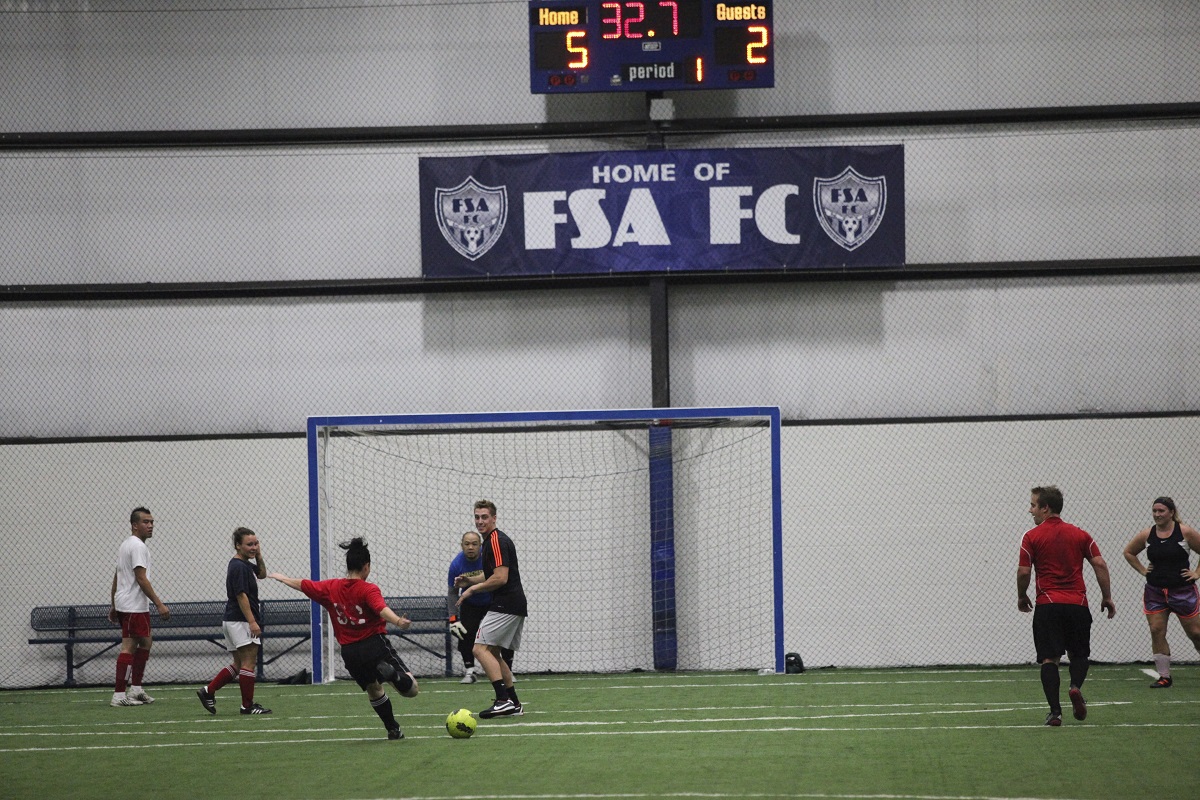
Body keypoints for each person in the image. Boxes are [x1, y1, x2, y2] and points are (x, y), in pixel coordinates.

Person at [268, 537, 418, 739]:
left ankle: (393, 728)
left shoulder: (331, 588)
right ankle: (394, 675)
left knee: (374, 689)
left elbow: (304, 584)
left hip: (350, 653)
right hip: (374, 645)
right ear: (367, 567)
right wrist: (398, 621)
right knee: (411, 690)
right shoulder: (368, 589)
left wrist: (282, 578)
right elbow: (381, 609)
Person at [1017, 485, 1116, 726]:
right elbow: (1100, 564)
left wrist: (1022, 595)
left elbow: (1023, 570)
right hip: (1078, 604)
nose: (1030, 510)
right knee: (1079, 654)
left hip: (1048, 604)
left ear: (1045, 508)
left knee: (1050, 659)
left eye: (1033, 505)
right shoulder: (1081, 535)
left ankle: (1055, 712)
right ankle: (1075, 687)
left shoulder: (1032, 536)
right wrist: (1107, 596)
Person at [455, 499, 527, 719]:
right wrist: (468, 580)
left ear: (494, 518)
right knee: (494, 653)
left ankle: (502, 700)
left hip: (505, 604)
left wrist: (472, 590)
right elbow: (490, 574)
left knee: (478, 649)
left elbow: (501, 578)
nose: (480, 521)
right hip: (513, 604)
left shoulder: (496, 540)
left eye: (484, 517)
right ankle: (514, 703)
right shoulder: (490, 543)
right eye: (477, 517)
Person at [1122, 496, 1200, 687]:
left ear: (1171, 512)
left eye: (1161, 511)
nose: (1157, 514)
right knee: (1156, 630)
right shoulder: (1147, 535)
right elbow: (1129, 552)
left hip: (1183, 591)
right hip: (1155, 591)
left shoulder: (1185, 532)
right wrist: (1142, 570)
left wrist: (1196, 573)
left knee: (1196, 633)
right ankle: (1164, 676)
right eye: (1154, 511)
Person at [197, 527, 270, 715]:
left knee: (238, 664)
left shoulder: (244, 564)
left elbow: (262, 574)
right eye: (249, 544)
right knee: (248, 663)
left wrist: (259, 555)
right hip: (241, 621)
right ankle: (247, 706)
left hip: (233, 620)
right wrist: (252, 622)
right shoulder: (238, 566)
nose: (253, 547)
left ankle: (208, 691)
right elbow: (241, 596)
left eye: (256, 543)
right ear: (238, 545)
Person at [109, 506, 170, 707]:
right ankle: (119, 695)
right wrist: (159, 604)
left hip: (131, 604)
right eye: (146, 522)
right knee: (128, 647)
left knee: (146, 642)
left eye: (152, 522)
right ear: (135, 525)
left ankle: (135, 689)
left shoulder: (127, 545)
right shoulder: (137, 547)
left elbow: (118, 576)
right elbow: (141, 578)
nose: (150, 525)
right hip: (133, 605)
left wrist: (113, 603)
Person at [447, 529, 514, 684]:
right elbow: (452, 593)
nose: (471, 547)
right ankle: (470, 671)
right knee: (465, 633)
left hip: (492, 599)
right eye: (467, 544)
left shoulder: (489, 557)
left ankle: (507, 670)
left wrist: (471, 582)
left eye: (474, 544)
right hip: (471, 603)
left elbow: (497, 576)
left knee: (502, 635)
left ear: (480, 546)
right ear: (462, 545)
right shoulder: (456, 565)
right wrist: (453, 618)